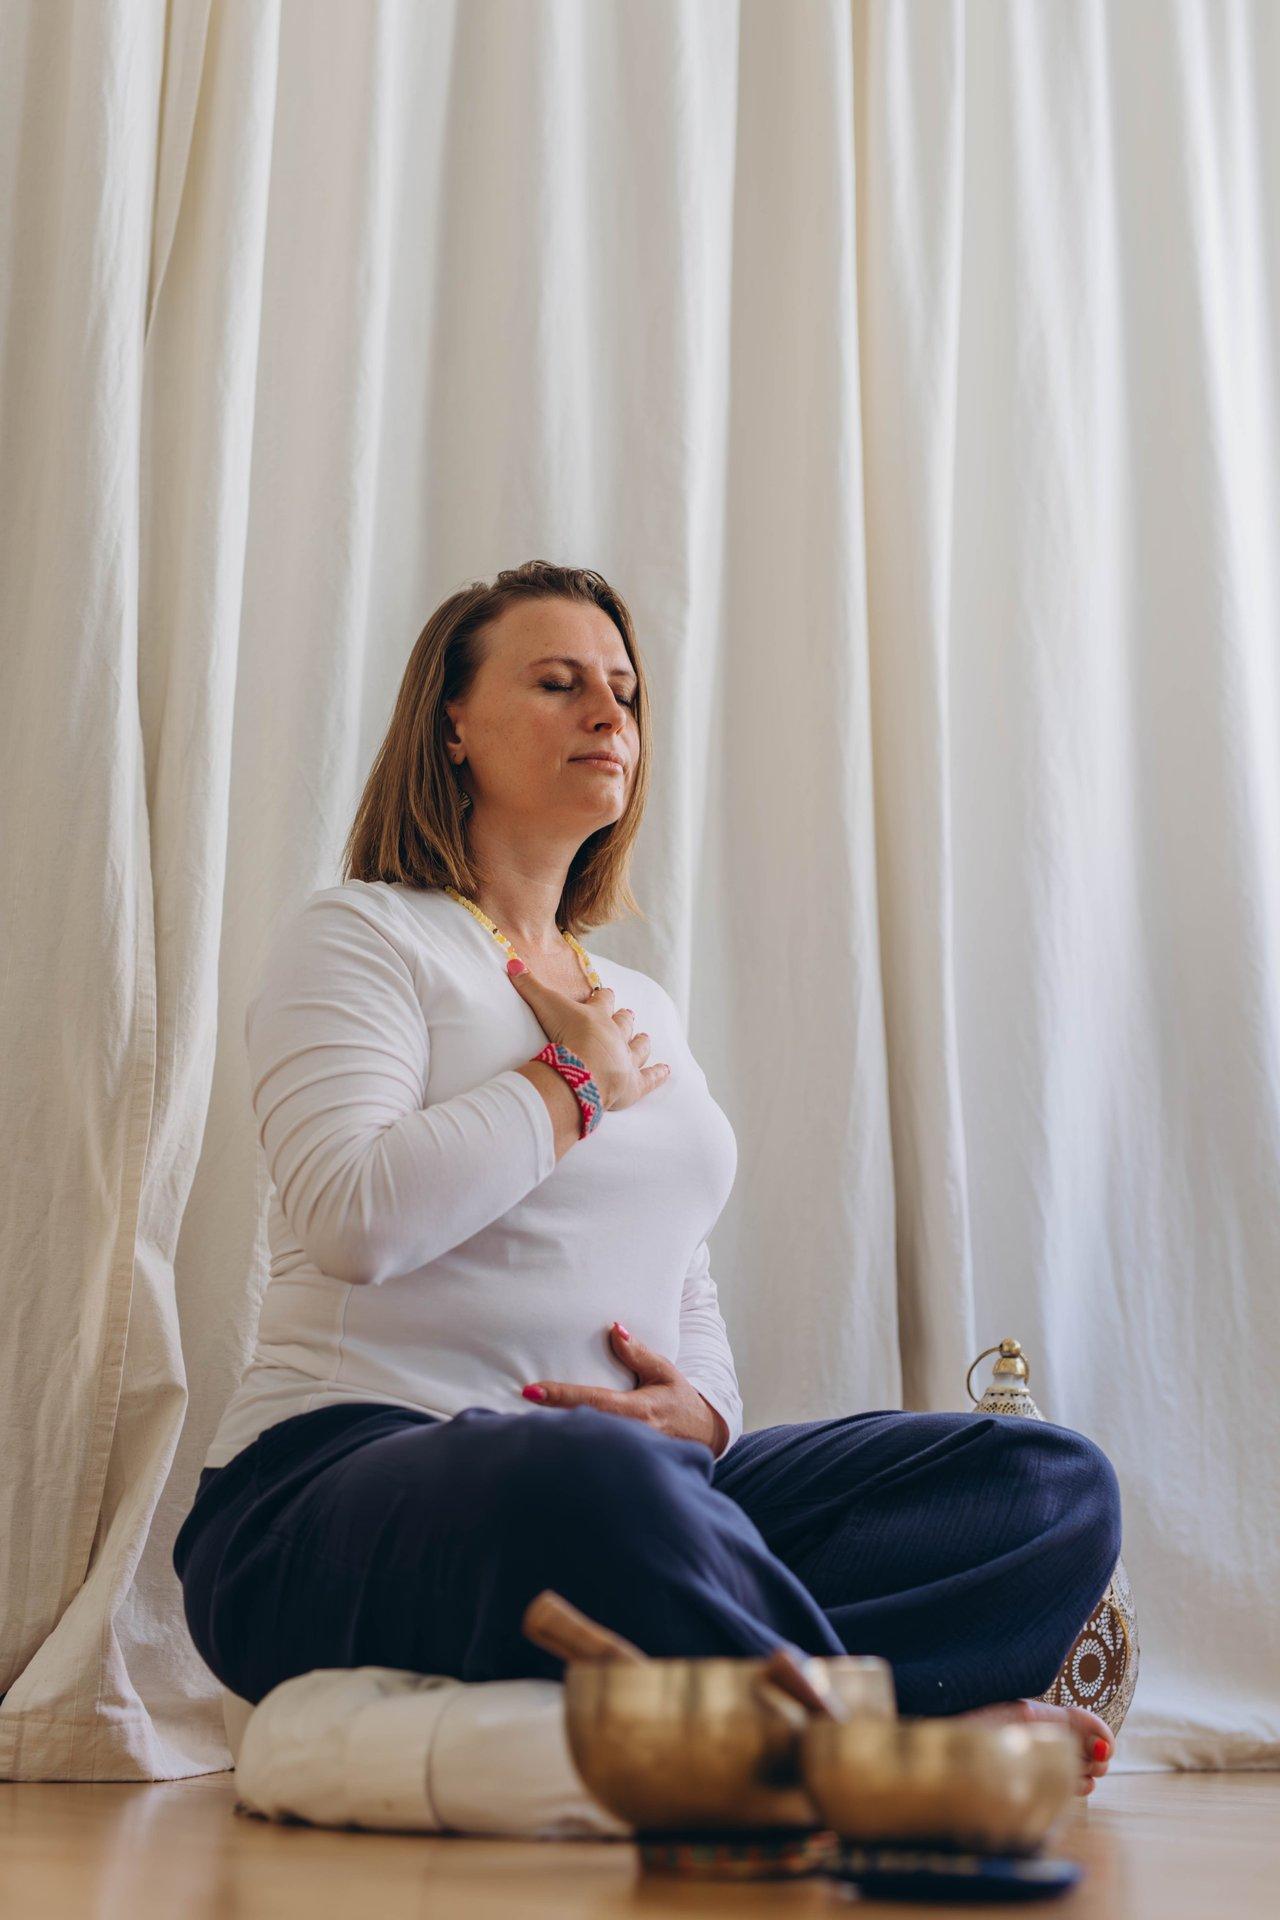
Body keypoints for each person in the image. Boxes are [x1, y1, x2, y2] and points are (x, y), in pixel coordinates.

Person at [173, 560, 1120, 1797]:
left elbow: (683, 1272)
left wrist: (709, 1415)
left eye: (622, 691)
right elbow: (353, 1219)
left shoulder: (642, 1006)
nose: (607, 715)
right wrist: (572, 1082)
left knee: (1040, 1481)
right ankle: (867, 1740)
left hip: (647, 1504)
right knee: (581, 1473)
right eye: (558, 683)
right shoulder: (363, 937)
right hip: (331, 1492)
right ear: (448, 725)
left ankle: (742, 1699)